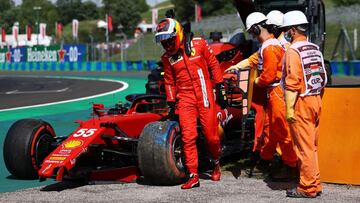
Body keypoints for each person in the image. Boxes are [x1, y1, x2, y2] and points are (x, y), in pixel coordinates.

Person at [155, 18, 228, 189]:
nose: (166, 43)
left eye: (168, 38)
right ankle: (193, 175)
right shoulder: (167, 58)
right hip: (185, 98)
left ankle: (216, 162)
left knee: (211, 136)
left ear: (178, 33)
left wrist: (220, 87)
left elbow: (214, 65)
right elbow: (169, 82)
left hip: (204, 93)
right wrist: (171, 103)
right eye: (162, 40)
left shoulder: (199, 44)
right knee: (188, 137)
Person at [225, 12, 298, 179]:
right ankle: (265, 161)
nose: (252, 35)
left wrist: (255, 82)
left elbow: (269, 75)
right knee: (270, 129)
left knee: (280, 130)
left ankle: (291, 166)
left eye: (252, 31)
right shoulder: (268, 45)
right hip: (273, 93)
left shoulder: (271, 47)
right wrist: (236, 66)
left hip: (277, 91)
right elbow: (254, 60)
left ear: (257, 28)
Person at [282, 10, 327, 198]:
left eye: (286, 30)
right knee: (312, 147)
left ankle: (307, 188)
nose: (285, 33)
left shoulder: (293, 51)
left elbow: (292, 83)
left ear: (292, 30)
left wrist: (290, 109)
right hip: (316, 100)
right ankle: (314, 184)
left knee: (303, 148)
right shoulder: (315, 48)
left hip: (301, 101)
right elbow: (322, 77)